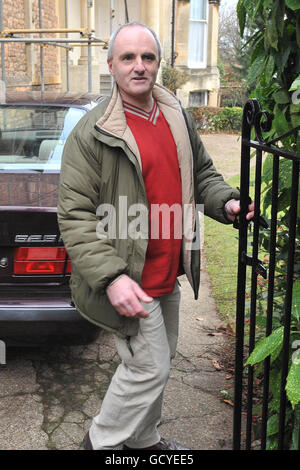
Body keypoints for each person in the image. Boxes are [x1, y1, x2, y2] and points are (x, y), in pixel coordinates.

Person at [57, 22, 254, 451]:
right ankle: (101, 444)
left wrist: (226, 203)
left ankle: (144, 441)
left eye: (147, 57)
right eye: (128, 57)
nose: (139, 66)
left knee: (156, 366)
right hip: (129, 276)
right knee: (149, 369)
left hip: (169, 273)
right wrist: (111, 278)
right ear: (111, 65)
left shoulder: (176, 116)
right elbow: (75, 216)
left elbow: (201, 173)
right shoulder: (92, 133)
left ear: (158, 63)